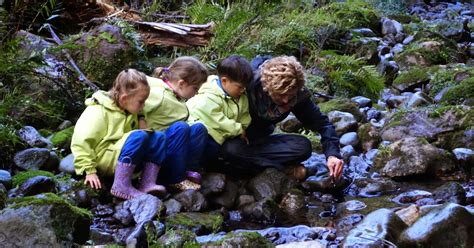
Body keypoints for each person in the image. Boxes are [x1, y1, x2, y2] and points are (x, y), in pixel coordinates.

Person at [220, 56, 344, 182]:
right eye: (280, 95)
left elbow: (323, 124)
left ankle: (247, 167)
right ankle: (284, 171)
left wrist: (332, 155)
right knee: (230, 150)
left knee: (303, 146)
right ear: (267, 87)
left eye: (290, 95)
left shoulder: (297, 95)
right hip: (233, 138)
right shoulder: (247, 82)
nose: (285, 100)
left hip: (259, 141)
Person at [71, 69, 167, 200]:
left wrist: (141, 117)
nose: (143, 105)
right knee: (139, 136)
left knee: (159, 137)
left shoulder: (128, 108)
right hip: (104, 158)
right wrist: (89, 171)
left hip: (123, 154)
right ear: (124, 98)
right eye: (141, 101)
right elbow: (81, 141)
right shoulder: (97, 111)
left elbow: (139, 113)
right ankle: (121, 185)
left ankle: (147, 183)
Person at [142, 56, 209, 191]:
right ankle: (175, 179)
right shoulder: (158, 93)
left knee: (198, 128)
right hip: (154, 151)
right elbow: (135, 108)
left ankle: (188, 170)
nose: (196, 93)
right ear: (181, 83)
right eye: (195, 88)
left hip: (171, 146)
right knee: (181, 128)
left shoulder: (176, 95)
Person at [187, 55, 253, 166]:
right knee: (208, 146)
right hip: (202, 130)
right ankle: (194, 167)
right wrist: (238, 130)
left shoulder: (241, 96)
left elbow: (244, 115)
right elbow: (217, 119)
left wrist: (243, 127)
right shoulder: (209, 95)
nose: (243, 90)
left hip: (221, 133)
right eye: (240, 87)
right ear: (224, 81)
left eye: (245, 87)